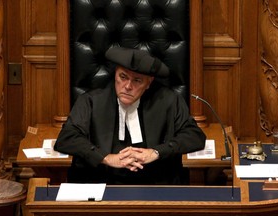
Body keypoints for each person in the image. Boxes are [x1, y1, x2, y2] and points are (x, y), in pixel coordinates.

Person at [54, 46, 206, 185]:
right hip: (101, 183)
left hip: (155, 184)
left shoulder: (168, 100)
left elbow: (194, 136)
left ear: (149, 82)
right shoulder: (91, 100)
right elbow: (66, 138)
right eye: (123, 77)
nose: (127, 86)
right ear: (115, 75)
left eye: (137, 80)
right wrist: (105, 158)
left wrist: (156, 152)